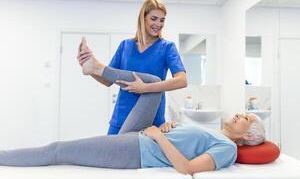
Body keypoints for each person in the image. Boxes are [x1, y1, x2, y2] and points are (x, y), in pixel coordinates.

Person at [0, 55, 265, 175]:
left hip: (137, 149)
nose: (241, 115)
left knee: (57, 150)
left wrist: (157, 138)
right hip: (143, 135)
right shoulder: (215, 133)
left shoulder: (227, 148)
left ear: (248, 137)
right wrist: (169, 127)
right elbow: (186, 144)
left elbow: (187, 169)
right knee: (152, 83)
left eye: (246, 119)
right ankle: (97, 68)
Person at [77, 0, 187, 135]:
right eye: (154, 18)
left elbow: (182, 80)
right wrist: (90, 71)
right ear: (143, 18)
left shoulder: (167, 47)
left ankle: (96, 65)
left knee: (142, 157)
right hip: (122, 115)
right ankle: (94, 66)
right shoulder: (125, 46)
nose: (158, 24)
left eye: (162, 20)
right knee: (111, 155)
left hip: (151, 119)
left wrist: (146, 88)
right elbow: (107, 80)